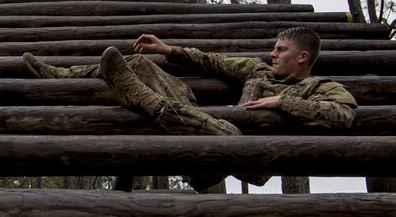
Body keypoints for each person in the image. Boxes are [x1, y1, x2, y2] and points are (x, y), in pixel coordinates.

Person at [22, 27, 357, 188]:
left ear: (303, 57)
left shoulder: (320, 87)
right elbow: (212, 62)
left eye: (281, 50)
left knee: (229, 133)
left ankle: (143, 99)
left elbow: (343, 115)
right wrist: (167, 50)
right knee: (139, 64)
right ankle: (63, 75)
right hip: (198, 133)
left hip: (245, 156)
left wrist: (283, 101)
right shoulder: (258, 70)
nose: (273, 54)